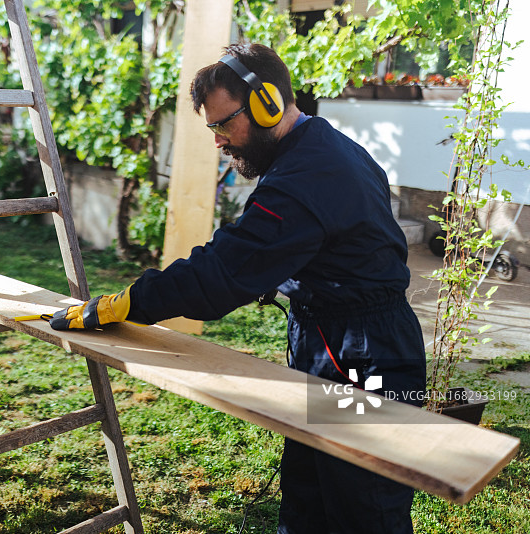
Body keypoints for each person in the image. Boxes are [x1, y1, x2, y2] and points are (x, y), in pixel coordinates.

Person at [49, 42, 426, 534]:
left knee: (364, 508)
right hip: (335, 341)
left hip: (362, 355)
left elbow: (220, 275)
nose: (218, 141)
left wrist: (127, 303)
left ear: (268, 103)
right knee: (310, 496)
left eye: (223, 124)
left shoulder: (302, 179)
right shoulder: (327, 146)